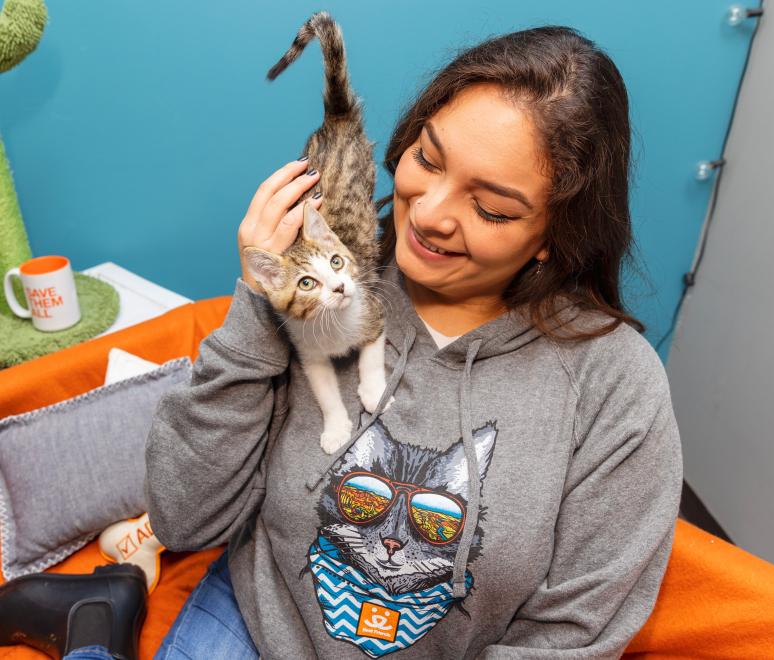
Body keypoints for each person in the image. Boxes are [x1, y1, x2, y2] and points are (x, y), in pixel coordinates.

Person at [1, 25, 682, 660]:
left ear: (554, 236)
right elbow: (183, 518)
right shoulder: (325, 289)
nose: (430, 214)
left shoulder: (613, 381)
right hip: (255, 625)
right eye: (427, 159)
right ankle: (99, 616)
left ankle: (94, 623)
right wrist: (259, 307)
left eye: (491, 208)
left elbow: (575, 633)